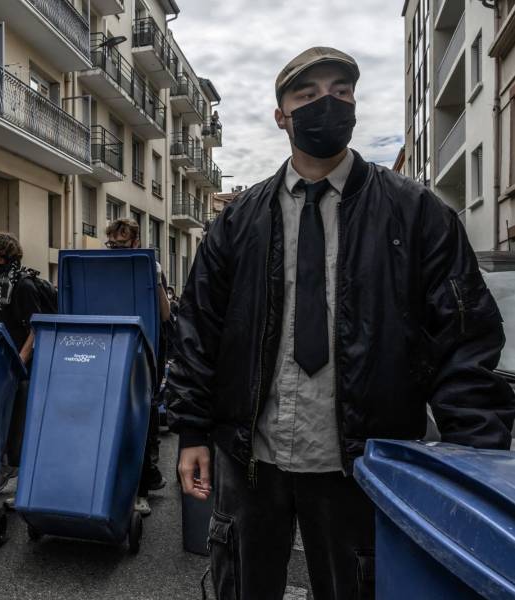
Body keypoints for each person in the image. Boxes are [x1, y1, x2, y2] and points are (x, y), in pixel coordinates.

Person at [168, 47, 515, 600]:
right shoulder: (238, 220)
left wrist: (473, 459)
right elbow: (199, 327)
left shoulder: (416, 213)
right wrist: (190, 429)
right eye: (307, 96)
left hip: (359, 462)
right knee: (241, 586)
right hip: (252, 458)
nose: (326, 104)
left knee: (355, 587)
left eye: (340, 91)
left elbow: (465, 337)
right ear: (281, 116)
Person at [0, 232, 57, 499]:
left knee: (19, 421)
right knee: (1, 416)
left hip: (19, 365)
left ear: (9, 257)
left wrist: (20, 360)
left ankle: (18, 474)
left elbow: (36, 327)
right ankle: (1, 469)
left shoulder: (23, 285)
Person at [105, 219, 171, 516]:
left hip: (143, 350)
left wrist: (155, 280)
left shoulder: (150, 268)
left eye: (122, 243)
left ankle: (142, 486)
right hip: (116, 349)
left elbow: (165, 314)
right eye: (112, 244)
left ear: (135, 242)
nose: (117, 249)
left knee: (141, 418)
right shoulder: (103, 267)